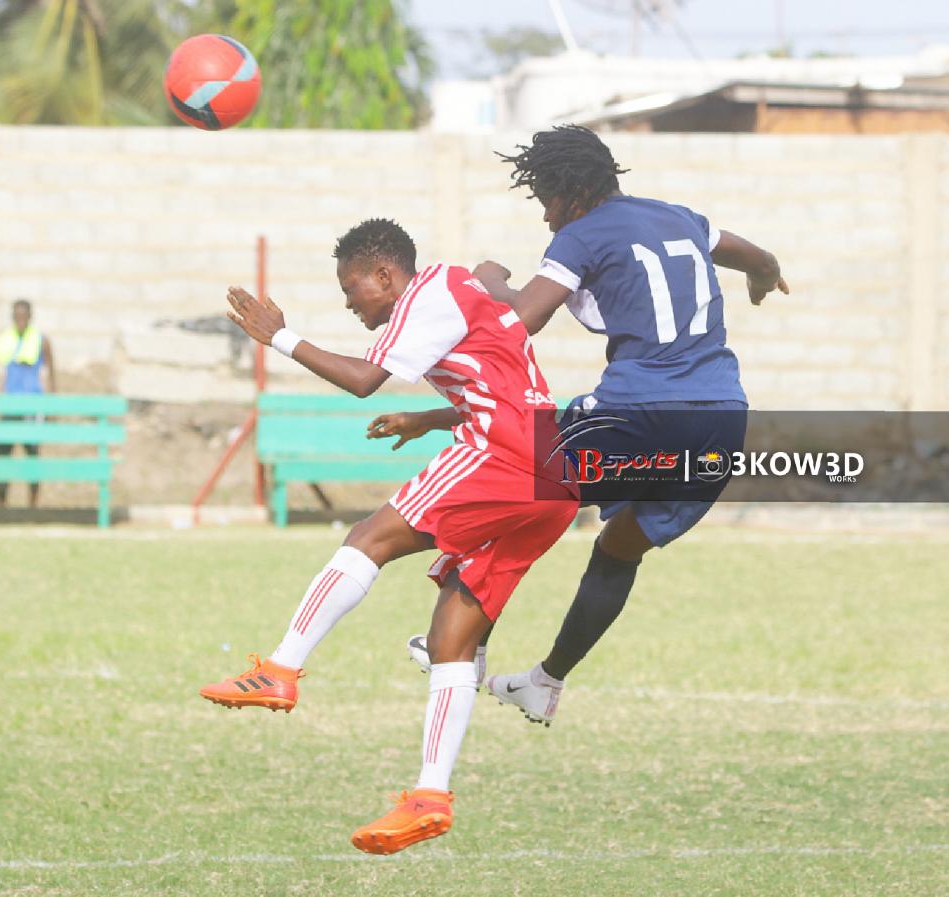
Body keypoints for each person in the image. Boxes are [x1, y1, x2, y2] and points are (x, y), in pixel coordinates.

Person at [198, 219, 577, 854]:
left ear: (385, 275)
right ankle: (431, 795)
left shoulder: (425, 294)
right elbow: (496, 374)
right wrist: (429, 418)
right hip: (555, 473)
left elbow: (362, 379)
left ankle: (281, 669)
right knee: (450, 639)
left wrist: (279, 336)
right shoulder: (457, 290)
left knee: (370, 537)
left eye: (353, 289)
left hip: (504, 458)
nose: (351, 304)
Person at [392, 125, 788, 726]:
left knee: (513, 484)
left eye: (546, 200)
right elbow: (758, 258)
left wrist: (489, 278)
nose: (547, 217)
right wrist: (762, 282)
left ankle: (466, 651)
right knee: (617, 549)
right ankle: (545, 682)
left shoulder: (582, 234)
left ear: (572, 191)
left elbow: (518, 321)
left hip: (641, 411)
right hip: (720, 422)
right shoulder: (678, 217)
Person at [0, 299, 56, 508]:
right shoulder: (7, 341)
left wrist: (52, 405)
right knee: (3, 452)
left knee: (32, 454)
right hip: (10, 405)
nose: (19, 321)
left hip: (31, 404)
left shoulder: (41, 340)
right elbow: (2, 374)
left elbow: (50, 374)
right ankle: (2, 504)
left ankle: (33, 504)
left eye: (22, 316)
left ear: (29, 317)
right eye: (15, 316)